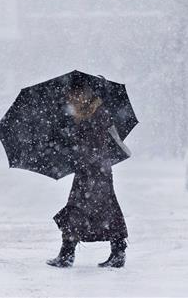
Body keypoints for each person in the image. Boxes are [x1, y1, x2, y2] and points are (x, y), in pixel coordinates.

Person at [46, 79, 128, 268]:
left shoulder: (97, 114)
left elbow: (96, 144)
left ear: (83, 94)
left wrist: (77, 147)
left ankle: (67, 254)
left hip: (95, 170)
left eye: (73, 96)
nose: (70, 101)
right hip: (91, 169)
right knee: (104, 209)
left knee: (79, 208)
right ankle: (117, 251)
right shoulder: (86, 114)